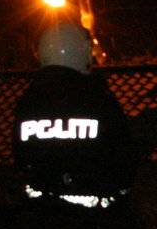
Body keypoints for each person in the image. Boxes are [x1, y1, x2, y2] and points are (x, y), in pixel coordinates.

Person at [13, 20, 136, 212]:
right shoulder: (97, 99)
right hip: (99, 219)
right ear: (80, 52)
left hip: (40, 213)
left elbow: (20, 157)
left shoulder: (29, 102)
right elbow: (122, 151)